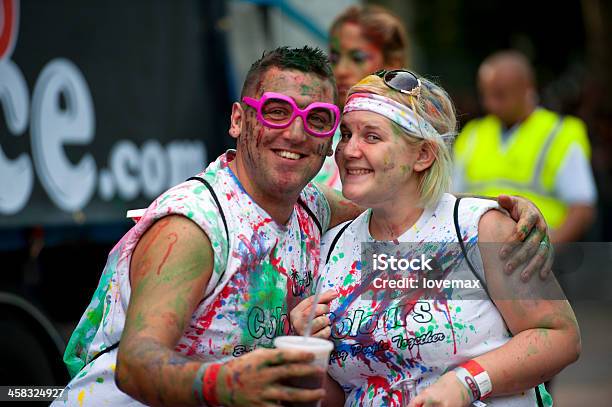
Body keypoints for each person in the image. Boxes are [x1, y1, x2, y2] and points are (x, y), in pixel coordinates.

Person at [55, 47, 550, 406]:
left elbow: (406, 203)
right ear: (237, 120)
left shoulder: (311, 205)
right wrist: (227, 383)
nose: (295, 132)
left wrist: (500, 215)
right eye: (276, 111)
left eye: (317, 119)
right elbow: (137, 364)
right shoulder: (195, 227)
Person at [292, 70, 580, 406]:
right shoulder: (330, 249)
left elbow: (560, 337)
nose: (348, 150)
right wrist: (304, 352)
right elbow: (342, 395)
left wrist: (467, 382)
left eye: (371, 137)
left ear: (423, 155)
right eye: (346, 133)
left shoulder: (477, 231)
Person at [453, 50, 597, 243]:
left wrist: (546, 252)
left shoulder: (560, 133)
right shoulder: (472, 134)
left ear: (527, 89)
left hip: (536, 253)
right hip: (475, 254)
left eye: (500, 95)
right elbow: (451, 199)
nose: (489, 104)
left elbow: (582, 209)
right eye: (485, 95)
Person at [314, 4, 408, 190]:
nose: (340, 70)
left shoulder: (410, 138)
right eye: (334, 58)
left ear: (392, 64)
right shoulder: (315, 128)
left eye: (357, 58)